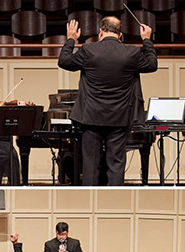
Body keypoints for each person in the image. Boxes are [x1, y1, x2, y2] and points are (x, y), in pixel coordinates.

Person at [58, 16, 157, 185]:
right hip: (120, 118)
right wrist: (146, 40)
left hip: (91, 117)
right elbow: (152, 64)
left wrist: (71, 39)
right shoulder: (131, 53)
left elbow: (64, 61)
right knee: (116, 164)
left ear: (101, 31)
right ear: (120, 34)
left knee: (90, 165)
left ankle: (90, 206)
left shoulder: (89, 50)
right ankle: (114, 205)